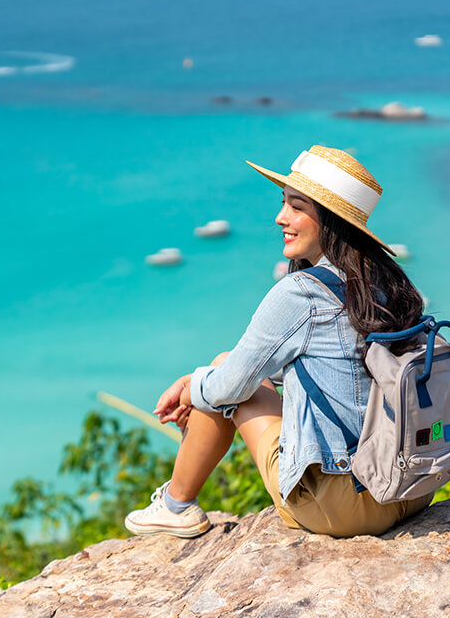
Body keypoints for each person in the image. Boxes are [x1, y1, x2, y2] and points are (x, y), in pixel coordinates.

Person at [124, 146, 433, 539]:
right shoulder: (387, 282)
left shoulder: (301, 293)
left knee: (221, 371)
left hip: (343, 505)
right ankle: (175, 502)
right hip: (411, 488)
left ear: (332, 221)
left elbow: (230, 387)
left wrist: (192, 386)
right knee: (224, 373)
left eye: (297, 206)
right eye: (284, 203)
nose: (280, 218)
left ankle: (176, 505)